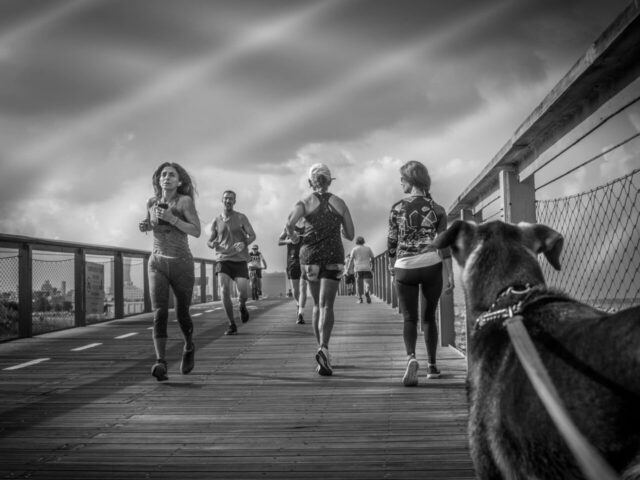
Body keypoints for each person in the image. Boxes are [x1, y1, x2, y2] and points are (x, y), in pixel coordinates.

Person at [387, 160, 454, 386]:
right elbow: (443, 245)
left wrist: (391, 267)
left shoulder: (396, 208)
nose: (400, 184)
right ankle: (433, 366)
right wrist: (450, 274)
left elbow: (392, 243)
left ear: (410, 181)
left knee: (409, 318)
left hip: (404, 267)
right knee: (429, 317)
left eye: (402, 180)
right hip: (431, 264)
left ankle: (411, 358)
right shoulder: (438, 209)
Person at [285, 163, 354, 375]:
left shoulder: (305, 202)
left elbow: (289, 224)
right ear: (330, 180)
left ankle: (320, 350)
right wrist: (338, 227)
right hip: (333, 255)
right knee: (327, 306)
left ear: (310, 183)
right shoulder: (339, 203)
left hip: (310, 257)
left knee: (316, 305)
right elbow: (350, 234)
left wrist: (296, 236)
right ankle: (325, 347)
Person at [138, 162, 201, 382]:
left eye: (171, 175)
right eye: (163, 175)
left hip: (181, 262)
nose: (166, 178)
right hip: (157, 262)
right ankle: (161, 362)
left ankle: (189, 345)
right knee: (160, 312)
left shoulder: (184, 202)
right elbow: (151, 223)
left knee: (182, 312)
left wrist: (173, 219)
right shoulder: (151, 201)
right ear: (158, 180)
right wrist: (146, 225)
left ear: (179, 181)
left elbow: (196, 231)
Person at [207, 190, 256, 335]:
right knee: (224, 290)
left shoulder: (241, 217)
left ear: (234, 202)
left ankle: (241, 305)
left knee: (243, 294)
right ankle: (231, 324)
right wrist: (212, 244)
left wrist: (244, 243)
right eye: (226, 198)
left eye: (231, 199)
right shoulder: (216, 220)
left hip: (240, 259)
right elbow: (209, 241)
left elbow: (252, 235)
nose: (228, 201)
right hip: (223, 259)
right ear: (222, 201)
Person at [278, 221, 308, 324]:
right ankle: (298, 304)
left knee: (303, 286)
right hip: (292, 260)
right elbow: (279, 241)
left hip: (306, 259)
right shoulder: (289, 226)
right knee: (295, 290)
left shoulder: (310, 225)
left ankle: (300, 313)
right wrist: (290, 241)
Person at [347, 236, 375, 304]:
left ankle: (360, 299)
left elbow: (350, 260)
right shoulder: (368, 248)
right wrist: (373, 266)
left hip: (358, 269)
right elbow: (372, 258)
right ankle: (367, 292)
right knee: (367, 283)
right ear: (363, 241)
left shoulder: (354, 249)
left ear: (356, 242)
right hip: (367, 268)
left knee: (358, 284)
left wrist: (348, 269)